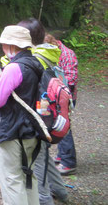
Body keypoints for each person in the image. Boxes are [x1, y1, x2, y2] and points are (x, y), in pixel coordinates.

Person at [0, 25, 42, 205]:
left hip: (13, 132)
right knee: (29, 176)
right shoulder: (36, 63)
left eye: (5, 45)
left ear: (12, 46)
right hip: (32, 130)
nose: (3, 48)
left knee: (11, 179)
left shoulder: (14, 67)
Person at [15, 19, 69, 205]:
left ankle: (44, 200)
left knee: (37, 163)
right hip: (49, 115)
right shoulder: (48, 53)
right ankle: (61, 192)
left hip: (37, 119)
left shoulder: (34, 59)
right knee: (43, 156)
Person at [45, 33, 78, 176]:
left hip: (65, 96)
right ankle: (61, 155)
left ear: (54, 44)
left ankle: (69, 162)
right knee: (56, 125)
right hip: (56, 96)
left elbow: (71, 78)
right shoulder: (53, 52)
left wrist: (57, 88)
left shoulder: (67, 55)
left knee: (64, 126)